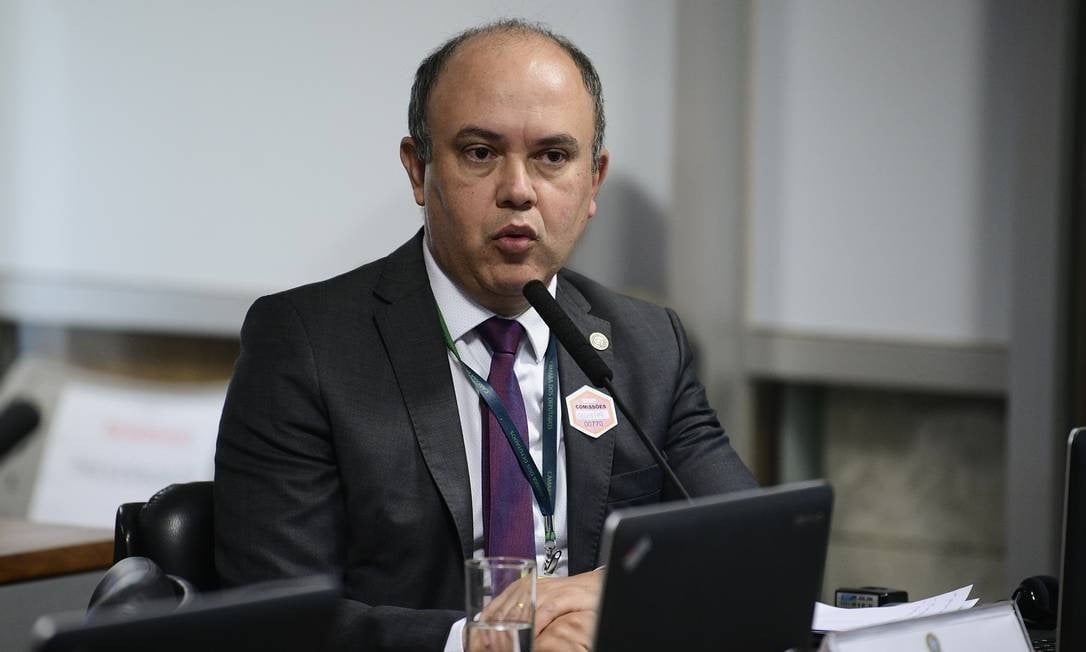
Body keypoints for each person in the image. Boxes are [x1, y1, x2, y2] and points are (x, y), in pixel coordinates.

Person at [214, 18, 757, 652]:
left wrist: (596, 597)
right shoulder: (306, 346)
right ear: (419, 171)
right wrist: (483, 642)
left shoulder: (646, 345)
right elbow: (274, 625)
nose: (519, 191)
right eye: (480, 152)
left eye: (553, 157)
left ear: (593, 183)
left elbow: (746, 543)